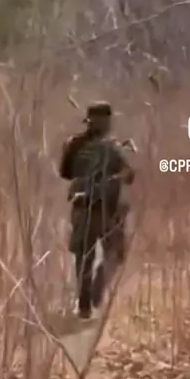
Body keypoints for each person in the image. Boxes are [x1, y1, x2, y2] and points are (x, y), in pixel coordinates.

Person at [59, 101, 135, 319]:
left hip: (81, 206)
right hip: (108, 209)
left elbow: (65, 172)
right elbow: (130, 175)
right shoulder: (114, 147)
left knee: (83, 258)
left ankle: (84, 305)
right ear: (108, 122)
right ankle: (99, 284)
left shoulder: (74, 144)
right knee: (115, 253)